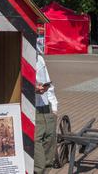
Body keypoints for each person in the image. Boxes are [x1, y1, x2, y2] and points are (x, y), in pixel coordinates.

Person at [34, 39, 58, 174]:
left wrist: (54, 107)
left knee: (50, 141)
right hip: (33, 109)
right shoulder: (20, 60)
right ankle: (39, 170)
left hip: (46, 107)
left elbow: (48, 85)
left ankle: (45, 170)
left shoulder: (40, 60)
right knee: (37, 146)